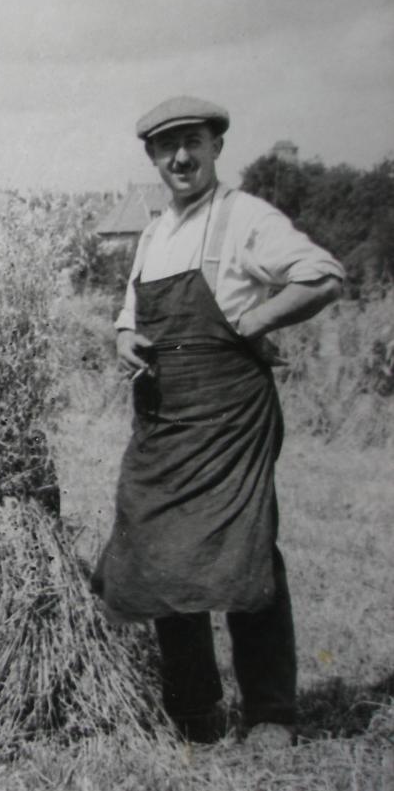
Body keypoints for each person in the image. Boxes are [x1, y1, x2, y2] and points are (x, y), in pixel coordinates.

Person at [91, 96, 344, 747]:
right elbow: (129, 312)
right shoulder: (153, 230)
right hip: (164, 420)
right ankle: (195, 710)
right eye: (166, 146)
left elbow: (322, 276)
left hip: (230, 416)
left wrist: (251, 323)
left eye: (192, 142)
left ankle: (269, 712)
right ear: (151, 155)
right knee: (162, 556)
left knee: (245, 551)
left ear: (216, 146)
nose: (180, 156)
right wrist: (125, 338)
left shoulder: (244, 217)